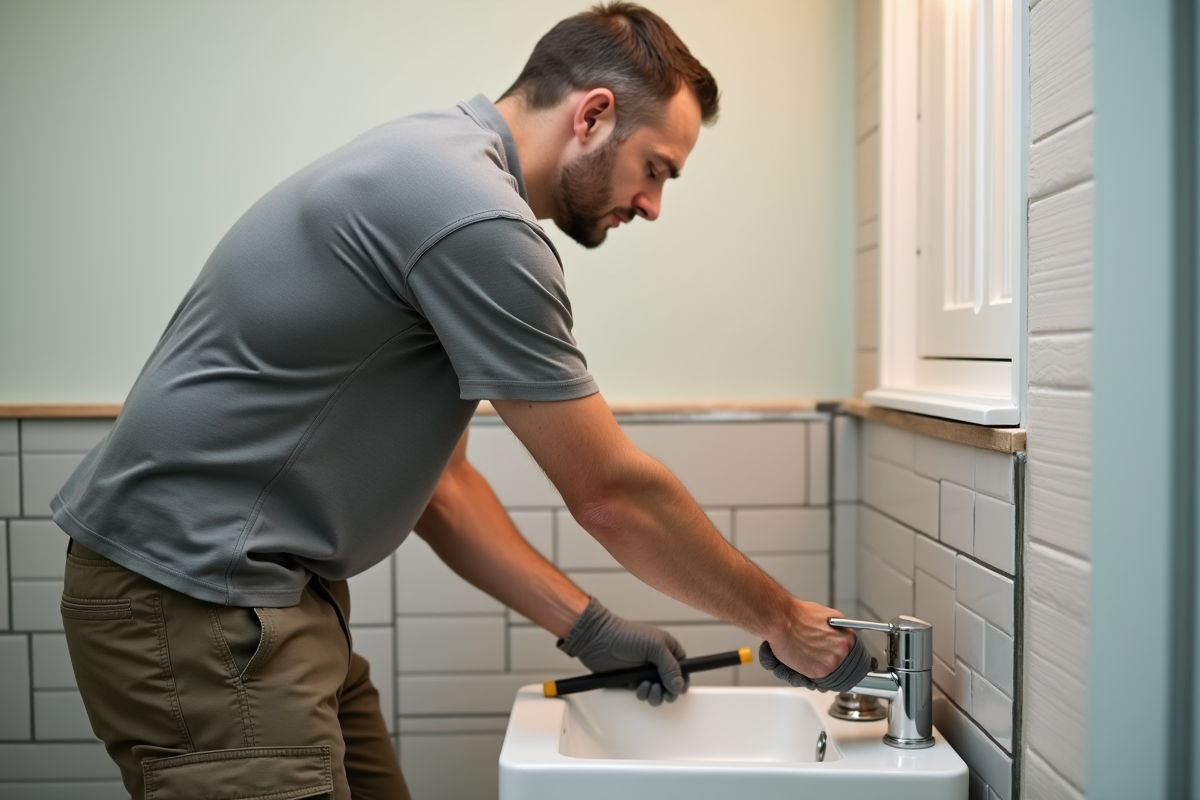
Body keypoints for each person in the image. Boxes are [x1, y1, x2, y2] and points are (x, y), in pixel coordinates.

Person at [51, 4, 868, 798]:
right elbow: (611, 495)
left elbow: (443, 489)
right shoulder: (475, 216)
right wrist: (781, 618)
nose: (652, 204)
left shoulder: (436, 165)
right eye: (656, 167)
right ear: (592, 115)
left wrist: (591, 628)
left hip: (262, 600)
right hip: (199, 602)